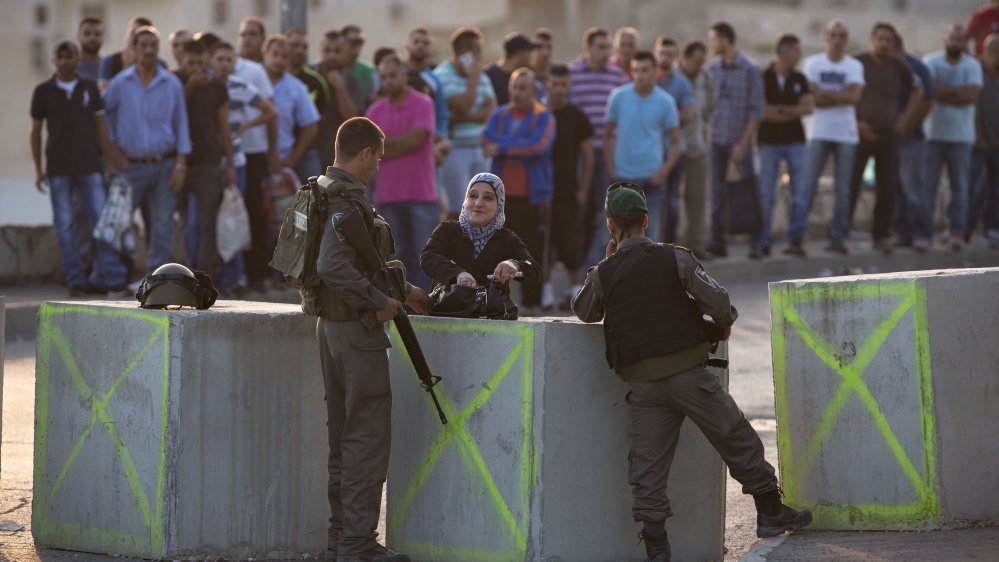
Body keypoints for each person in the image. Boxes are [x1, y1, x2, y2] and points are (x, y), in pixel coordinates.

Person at [571, 185, 811, 562]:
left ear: (610, 225)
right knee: (736, 437)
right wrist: (721, 322)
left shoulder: (605, 272)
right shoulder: (675, 259)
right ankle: (770, 511)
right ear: (646, 221)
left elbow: (584, 311)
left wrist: (604, 265)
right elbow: (719, 301)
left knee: (647, 470)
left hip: (644, 387)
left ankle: (657, 548)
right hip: (689, 375)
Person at [314, 117, 427, 562]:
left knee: (345, 437)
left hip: (332, 327)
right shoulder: (347, 202)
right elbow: (332, 265)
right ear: (364, 154)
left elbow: (362, 259)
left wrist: (402, 291)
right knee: (366, 438)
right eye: (378, 156)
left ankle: (340, 541)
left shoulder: (324, 189)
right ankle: (357, 545)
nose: (379, 165)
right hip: (356, 332)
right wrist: (377, 301)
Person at [30, 39, 129, 296]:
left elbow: (100, 127)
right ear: (54, 61)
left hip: (89, 166)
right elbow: (35, 132)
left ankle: (113, 278)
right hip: (58, 168)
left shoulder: (89, 87)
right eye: (59, 57)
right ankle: (75, 278)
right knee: (64, 224)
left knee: (101, 220)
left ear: (77, 60)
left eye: (69, 57)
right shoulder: (43, 91)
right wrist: (38, 168)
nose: (64, 61)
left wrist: (111, 161)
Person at [102, 26, 191, 274]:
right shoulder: (120, 83)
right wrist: (113, 152)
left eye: (153, 46)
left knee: (163, 223)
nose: (149, 50)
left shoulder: (171, 84)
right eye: (144, 46)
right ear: (133, 49)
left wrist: (181, 165)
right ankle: (116, 275)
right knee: (118, 220)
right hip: (131, 167)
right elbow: (101, 117)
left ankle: (156, 278)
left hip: (165, 166)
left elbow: (181, 125)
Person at [481, 68, 556, 312]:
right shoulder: (499, 114)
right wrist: (515, 145)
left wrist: (502, 148)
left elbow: (537, 145)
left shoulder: (544, 116)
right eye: (515, 86)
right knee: (497, 248)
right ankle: (498, 300)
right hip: (502, 198)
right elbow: (485, 138)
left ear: (534, 91)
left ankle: (532, 302)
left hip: (533, 197)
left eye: (523, 88)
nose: (517, 92)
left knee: (532, 249)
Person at [365, 55, 439, 292]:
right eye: (384, 77)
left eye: (393, 75)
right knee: (395, 261)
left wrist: (382, 147)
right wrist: (395, 145)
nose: (388, 81)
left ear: (405, 76)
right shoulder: (374, 111)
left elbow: (415, 140)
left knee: (425, 258)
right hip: (388, 197)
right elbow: (368, 151)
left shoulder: (424, 103)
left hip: (421, 195)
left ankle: (429, 312)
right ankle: (401, 316)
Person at [210, 40, 277, 294]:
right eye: (220, 59)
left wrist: (245, 127)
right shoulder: (204, 85)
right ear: (211, 60)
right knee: (207, 222)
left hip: (236, 162)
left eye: (229, 59)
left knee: (233, 217)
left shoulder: (240, 86)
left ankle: (234, 277)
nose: (225, 64)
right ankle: (215, 275)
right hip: (209, 161)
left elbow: (270, 111)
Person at [847, 22, 915, 255]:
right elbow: (847, 92)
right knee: (851, 182)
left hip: (888, 132)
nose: (884, 43)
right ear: (872, 39)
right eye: (880, 38)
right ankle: (842, 232)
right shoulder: (856, 62)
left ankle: (882, 233)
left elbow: (918, 89)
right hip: (860, 132)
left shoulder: (897, 65)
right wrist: (857, 121)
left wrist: (906, 118)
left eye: (889, 39)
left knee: (887, 184)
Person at [569, 27, 631, 269]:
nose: (606, 52)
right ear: (588, 48)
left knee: (607, 209)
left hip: (609, 153)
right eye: (601, 47)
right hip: (581, 155)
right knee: (580, 207)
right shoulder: (572, 74)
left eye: (608, 47)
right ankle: (576, 260)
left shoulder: (618, 77)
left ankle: (597, 262)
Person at [605, 51, 683, 243]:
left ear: (655, 72)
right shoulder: (618, 97)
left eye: (645, 70)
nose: (639, 75)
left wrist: (663, 173)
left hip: (651, 180)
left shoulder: (665, 102)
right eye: (636, 70)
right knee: (612, 238)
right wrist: (611, 169)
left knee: (651, 236)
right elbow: (607, 135)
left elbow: (677, 143)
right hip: (621, 179)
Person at [802, 20, 864, 255]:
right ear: (826, 38)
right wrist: (840, 94)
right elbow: (811, 97)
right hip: (818, 131)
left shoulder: (854, 66)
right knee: (808, 184)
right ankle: (797, 235)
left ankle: (838, 236)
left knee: (843, 189)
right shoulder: (813, 63)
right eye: (833, 35)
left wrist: (824, 93)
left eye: (841, 35)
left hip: (846, 135)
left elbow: (854, 97)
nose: (837, 39)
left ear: (846, 40)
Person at [421, 172, 542, 288]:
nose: (478, 203)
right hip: (449, 307)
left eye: (488, 198)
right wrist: (458, 273)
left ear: (499, 205)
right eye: (473, 196)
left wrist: (514, 265)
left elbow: (533, 268)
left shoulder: (506, 239)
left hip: (490, 308)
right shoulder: (448, 230)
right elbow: (428, 257)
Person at [175, 39, 234, 275]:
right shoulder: (174, 81)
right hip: (179, 163)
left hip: (209, 162)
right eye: (191, 63)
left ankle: (202, 275)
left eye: (201, 63)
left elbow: (224, 126)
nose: (197, 68)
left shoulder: (217, 86)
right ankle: (182, 272)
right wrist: (190, 85)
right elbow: (173, 110)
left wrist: (229, 162)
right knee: (184, 223)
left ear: (206, 60)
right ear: (183, 60)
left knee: (207, 224)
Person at [923, 23, 984, 251]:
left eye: (959, 39)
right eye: (952, 38)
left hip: (962, 137)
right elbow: (931, 90)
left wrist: (943, 92)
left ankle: (957, 231)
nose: (955, 43)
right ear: (944, 39)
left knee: (960, 187)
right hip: (933, 135)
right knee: (928, 186)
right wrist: (955, 92)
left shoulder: (973, 65)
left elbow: (970, 96)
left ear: (964, 42)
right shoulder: (931, 61)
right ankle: (925, 232)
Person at [706, 22, 765, 258]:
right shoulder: (712, 70)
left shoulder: (750, 69)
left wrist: (743, 143)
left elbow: (756, 110)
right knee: (716, 194)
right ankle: (717, 242)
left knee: (749, 190)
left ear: (724, 40)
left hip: (740, 141)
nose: (712, 44)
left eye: (714, 39)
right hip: (716, 140)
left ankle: (757, 242)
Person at [756, 34, 813, 257]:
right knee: (765, 193)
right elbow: (761, 111)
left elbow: (808, 108)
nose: (799, 56)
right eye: (796, 51)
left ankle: (796, 239)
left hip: (796, 141)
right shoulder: (763, 77)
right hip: (769, 141)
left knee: (799, 192)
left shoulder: (800, 78)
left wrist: (778, 110)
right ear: (784, 52)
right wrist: (791, 111)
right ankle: (763, 239)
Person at [544, 64, 593, 310]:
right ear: (546, 84)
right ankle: (546, 293)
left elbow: (588, 155)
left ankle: (577, 293)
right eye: (555, 84)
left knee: (571, 240)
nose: (559, 89)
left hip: (568, 191)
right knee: (545, 241)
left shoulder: (576, 116)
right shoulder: (539, 113)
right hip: (542, 191)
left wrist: (583, 188)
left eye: (563, 84)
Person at [434, 27, 497, 218]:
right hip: (455, 151)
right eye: (477, 50)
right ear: (465, 53)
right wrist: (475, 77)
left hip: (480, 150)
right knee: (459, 210)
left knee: (484, 210)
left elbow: (491, 110)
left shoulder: (482, 75)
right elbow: (462, 104)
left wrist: (459, 119)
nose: (481, 55)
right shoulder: (442, 76)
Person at [235, 16, 278, 293]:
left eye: (252, 34)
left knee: (255, 212)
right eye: (243, 34)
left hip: (254, 152)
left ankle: (258, 273)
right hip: (230, 154)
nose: (247, 38)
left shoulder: (256, 72)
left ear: (262, 40)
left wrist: (273, 151)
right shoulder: (225, 66)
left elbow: (272, 114)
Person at [891, 31, 935, 252]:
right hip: (890, 139)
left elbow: (928, 100)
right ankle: (903, 232)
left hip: (911, 138)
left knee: (913, 187)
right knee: (896, 188)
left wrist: (910, 124)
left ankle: (921, 233)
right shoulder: (888, 66)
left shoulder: (916, 66)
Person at [403, 27, 453, 217]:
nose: (421, 46)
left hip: (428, 149)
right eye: (416, 41)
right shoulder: (397, 76)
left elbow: (442, 115)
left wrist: (435, 140)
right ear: (407, 46)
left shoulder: (433, 80)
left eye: (425, 43)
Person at [654, 36, 696, 244]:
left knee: (672, 201)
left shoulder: (681, 83)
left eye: (669, 54)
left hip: (674, 150)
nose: (664, 58)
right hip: (651, 151)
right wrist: (671, 116)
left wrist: (655, 118)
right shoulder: (648, 79)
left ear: (675, 57)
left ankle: (669, 244)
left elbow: (688, 115)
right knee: (651, 201)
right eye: (661, 53)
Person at [263, 34, 321, 182]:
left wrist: (293, 157)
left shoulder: (296, 87)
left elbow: (311, 125)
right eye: (275, 54)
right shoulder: (251, 80)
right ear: (265, 53)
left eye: (284, 56)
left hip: (282, 159)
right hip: (253, 156)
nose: (278, 60)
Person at [678, 39, 715, 258]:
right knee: (674, 201)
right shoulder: (673, 78)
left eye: (702, 62)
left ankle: (697, 244)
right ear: (685, 59)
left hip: (699, 145)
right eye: (695, 61)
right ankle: (672, 243)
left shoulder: (706, 77)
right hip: (674, 147)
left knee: (698, 198)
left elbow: (710, 106)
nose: (699, 66)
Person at [313, 30, 365, 167]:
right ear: (321, 50)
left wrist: (340, 87)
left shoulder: (351, 81)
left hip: (339, 155)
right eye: (328, 50)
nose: (332, 56)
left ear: (343, 51)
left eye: (337, 51)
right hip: (311, 153)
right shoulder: (310, 76)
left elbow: (353, 118)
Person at [967, 34, 999, 247]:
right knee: (971, 188)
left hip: (997, 144)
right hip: (975, 142)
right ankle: (963, 229)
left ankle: (992, 228)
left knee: (996, 190)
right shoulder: (973, 69)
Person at [286, 28, 330, 175]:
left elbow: (322, 120)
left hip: (308, 153)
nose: (300, 50)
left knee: (313, 196)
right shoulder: (270, 78)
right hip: (278, 152)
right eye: (295, 45)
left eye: (304, 47)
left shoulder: (316, 82)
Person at [97, 15, 164, 90]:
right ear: (127, 35)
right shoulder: (110, 61)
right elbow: (105, 94)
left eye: (141, 34)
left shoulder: (160, 65)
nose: (136, 38)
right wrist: (126, 70)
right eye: (133, 33)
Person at [485, 33, 539, 106]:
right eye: (529, 53)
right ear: (520, 54)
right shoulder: (488, 76)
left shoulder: (528, 74)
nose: (531, 58)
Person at [341, 24, 379, 103]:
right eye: (352, 44)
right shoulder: (328, 67)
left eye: (360, 44)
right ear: (341, 42)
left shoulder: (370, 71)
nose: (357, 50)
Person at [531, 28, 555, 103]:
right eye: (540, 47)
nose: (545, 52)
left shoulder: (556, 74)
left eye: (549, 47)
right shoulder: (524, 73)